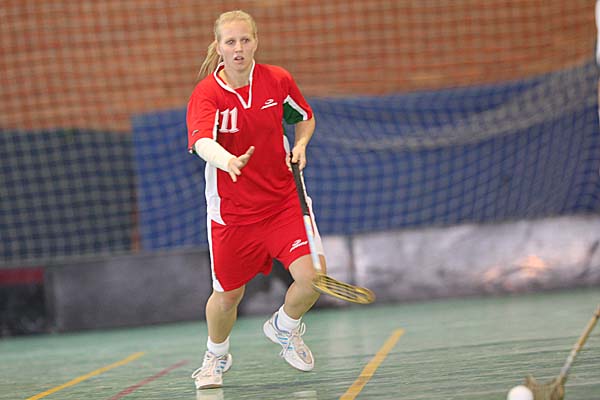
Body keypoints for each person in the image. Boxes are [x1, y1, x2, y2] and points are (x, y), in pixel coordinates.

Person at [186, 10, 326, 390]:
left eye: (245, 40)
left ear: (256, 42)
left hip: (283, 202)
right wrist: (227, 160)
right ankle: (216, 355)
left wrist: (301, 144)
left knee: (314, 279)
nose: (238, 48)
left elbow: (304, 116)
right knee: (227, 297)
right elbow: (201, 141)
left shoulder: (277, 80)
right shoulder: (207, 94)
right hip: (232, 215)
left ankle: (285, 327)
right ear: (218, 47)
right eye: (230, 42)